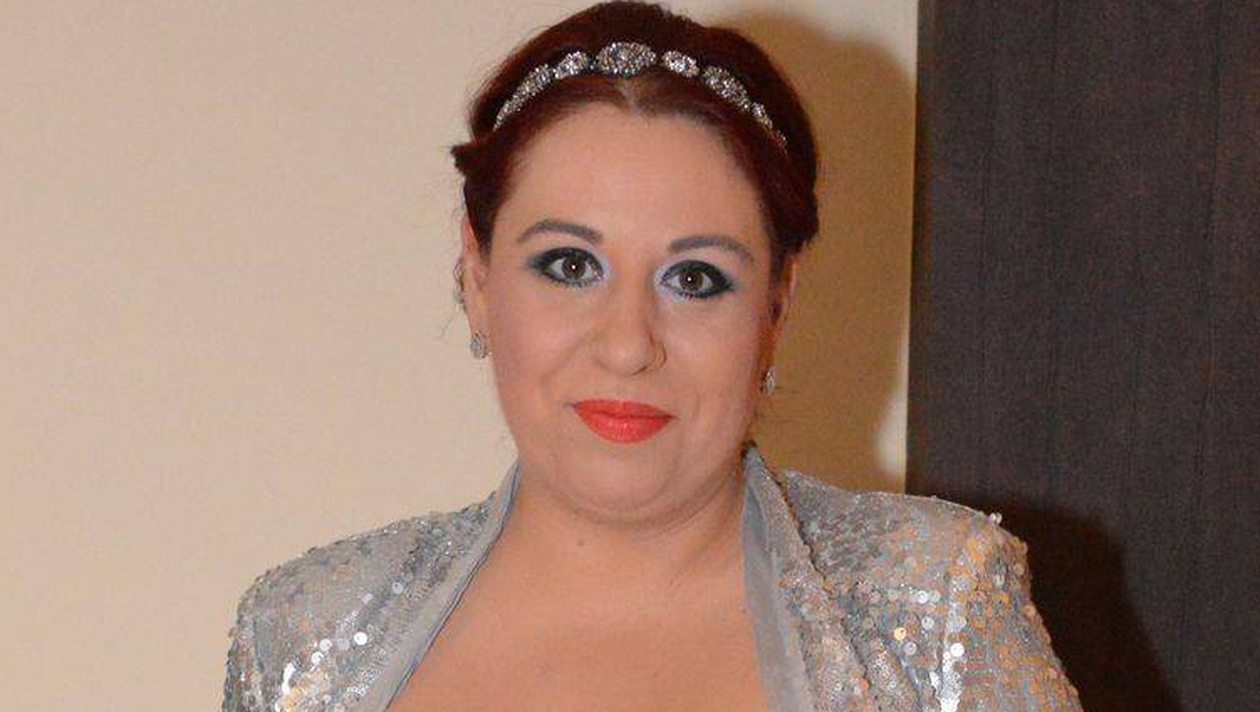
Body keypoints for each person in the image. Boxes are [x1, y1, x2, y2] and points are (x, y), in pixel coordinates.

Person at [220, 3, 1083, 711]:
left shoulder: (932, 606)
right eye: (570, 266)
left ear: (777, 306)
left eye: (695, 279)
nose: (629, 345)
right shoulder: (305, 635)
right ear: (477, 277)